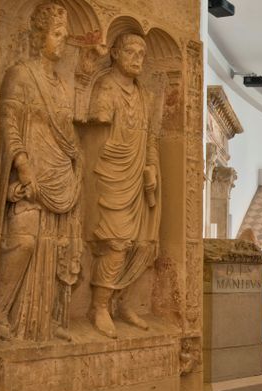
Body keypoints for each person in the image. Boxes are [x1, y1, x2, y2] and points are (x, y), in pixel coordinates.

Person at [0, 2, 82, 342]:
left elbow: (66, 132)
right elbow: (8, 123)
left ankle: (47, 318)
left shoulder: (61, 85)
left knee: (57, 247)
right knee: (24, 242)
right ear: (39, 35)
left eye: (65, 35)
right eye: (57, 34)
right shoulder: (21, 74)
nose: (62, 41)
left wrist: (75, 160)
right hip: (31, 175)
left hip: (60, 175)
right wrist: (22, 166)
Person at [87, 32, 161, 338]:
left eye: (141, 54)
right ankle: (98, 306)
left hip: (139, 176)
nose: (137, 59)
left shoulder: (146, 95)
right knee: (116, 243)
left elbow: (151, 138)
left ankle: (123, 302)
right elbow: (94, 125)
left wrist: (151, 167)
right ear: (115, 54)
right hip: (113, 173)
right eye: (130, 51)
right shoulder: (106, 86)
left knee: (141, 244)